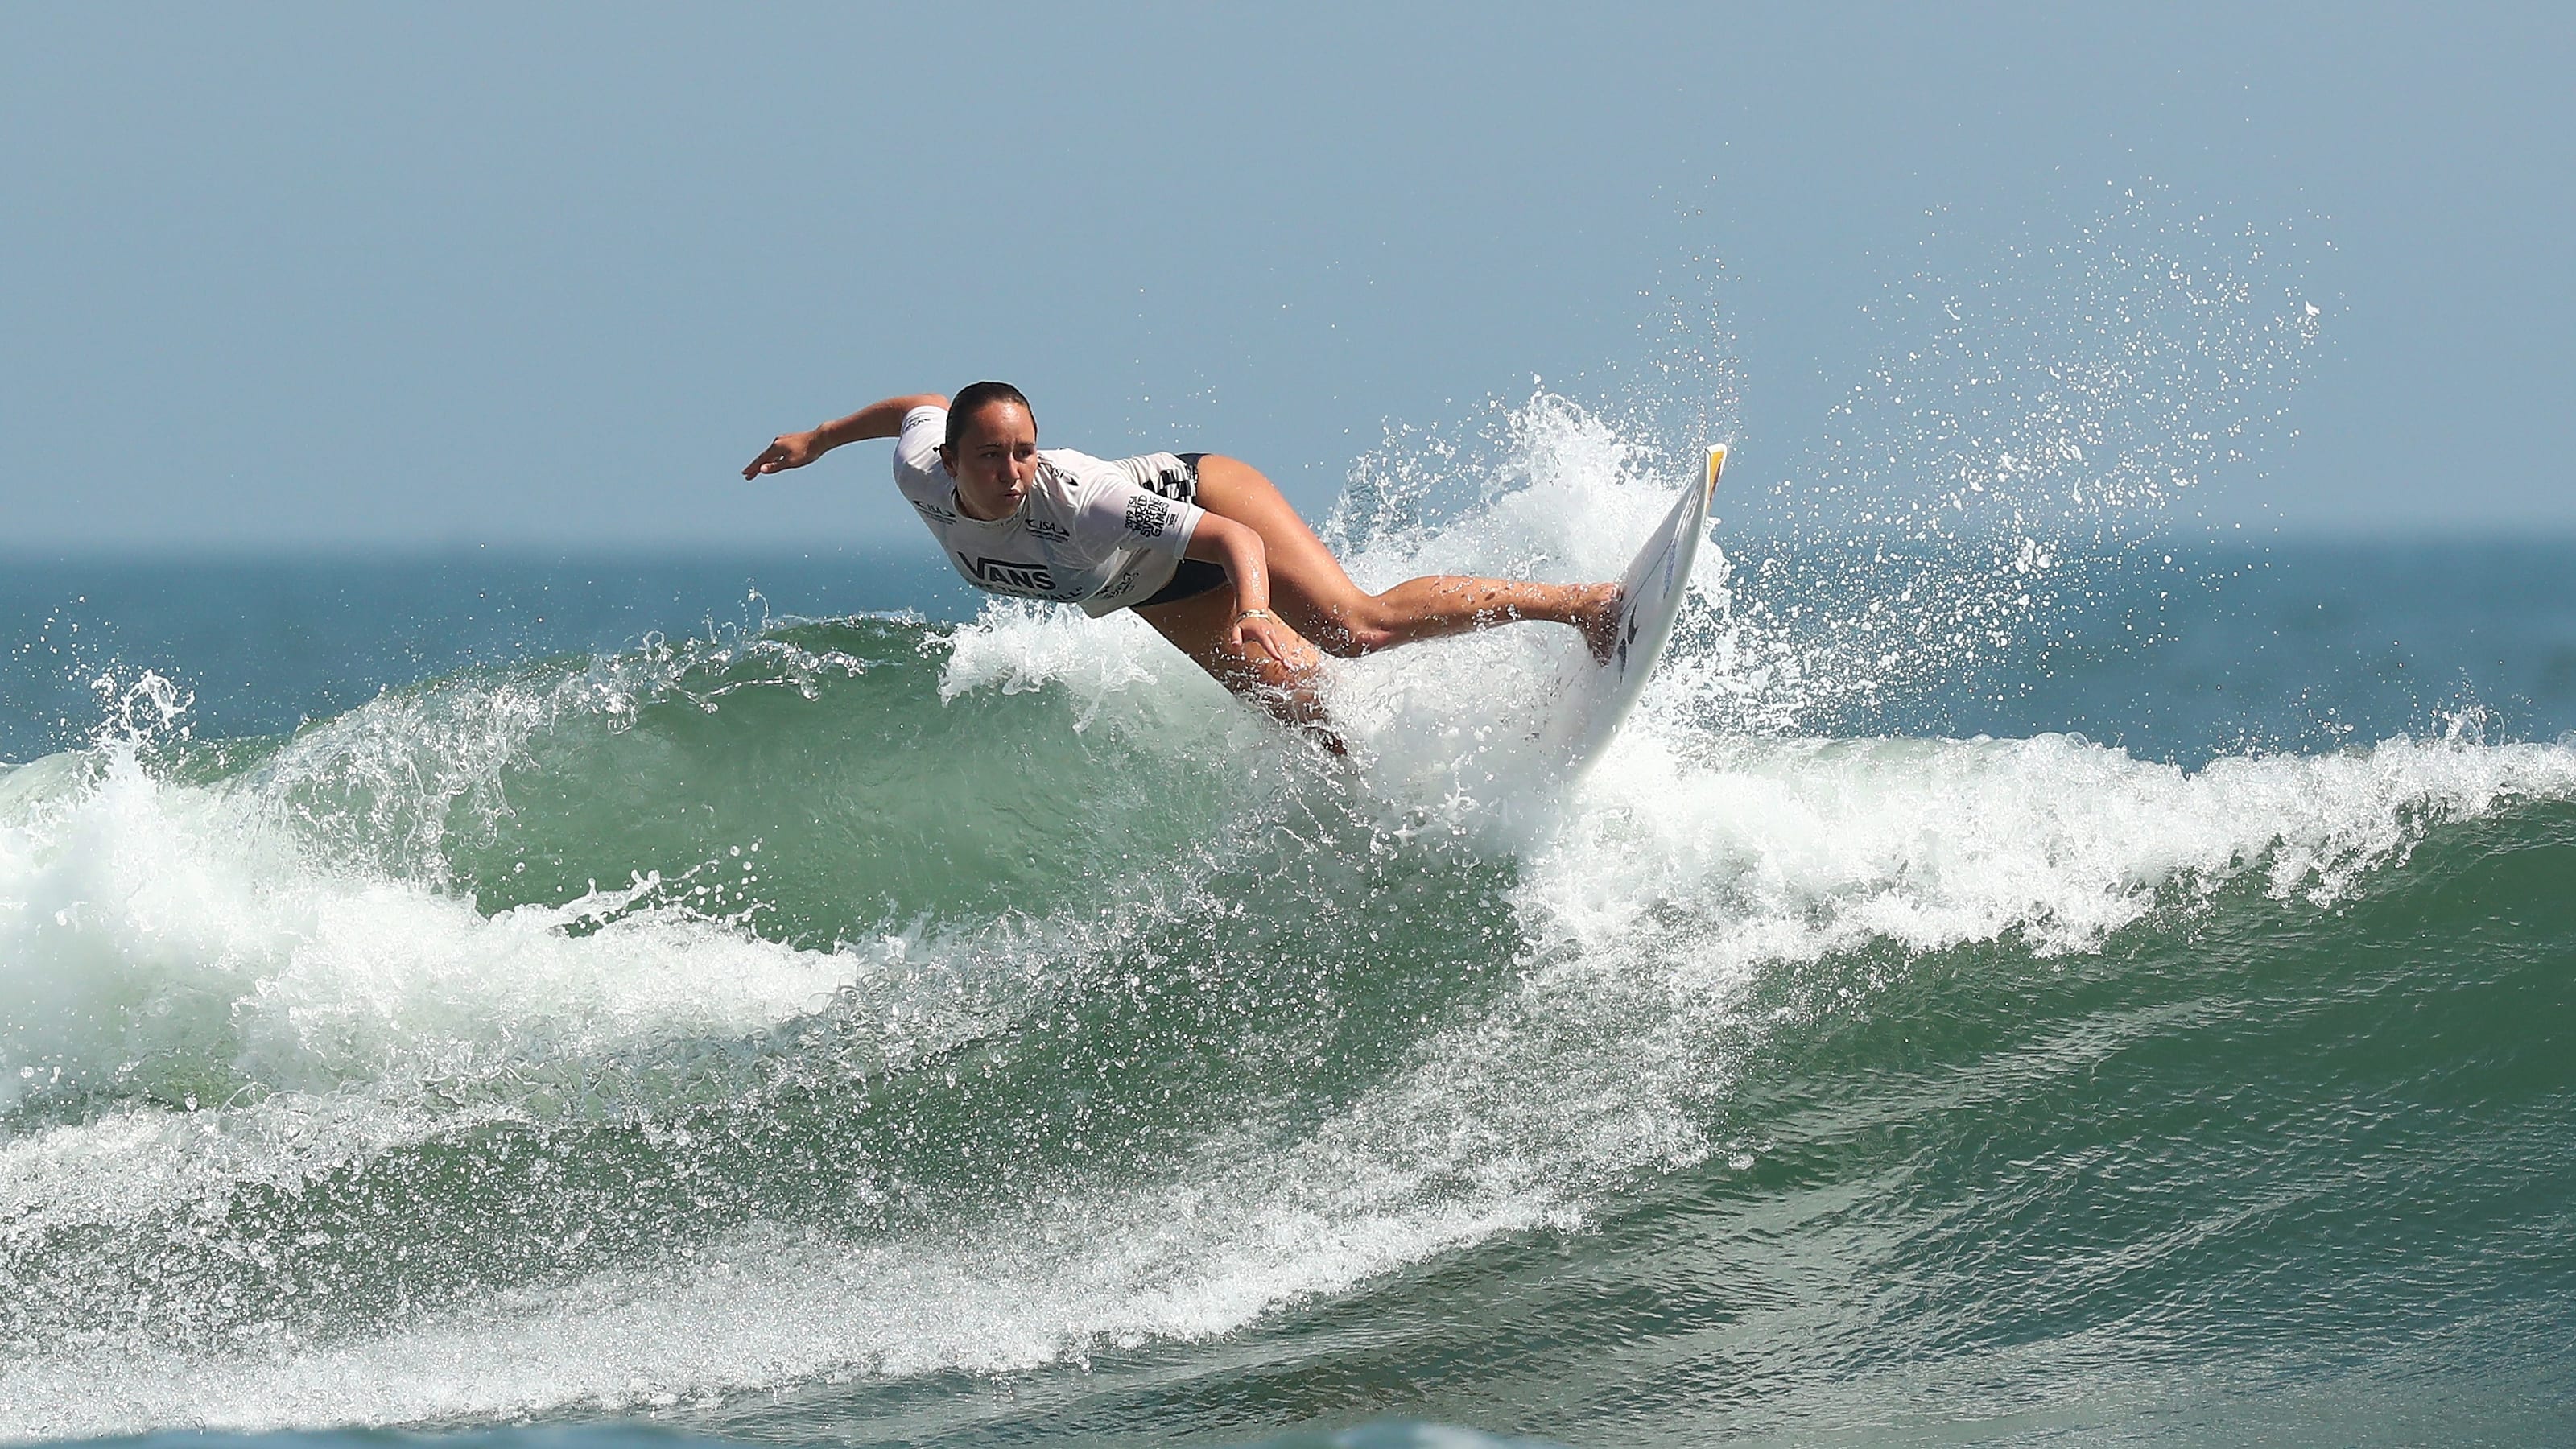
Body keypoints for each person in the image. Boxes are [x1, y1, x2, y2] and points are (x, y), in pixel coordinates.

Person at [744, 382, 1620, 731]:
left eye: (1022, 452)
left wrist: (1252, 610)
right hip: (1147, 585)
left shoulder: (1080, 496)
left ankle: (1581, 605)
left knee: (1355, 629)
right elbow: (922, 404)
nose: (1011, 472)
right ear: (950, 463)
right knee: (1305, 720)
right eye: (989, 457)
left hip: (1204, 505)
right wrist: (819, 438)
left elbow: (1232, 541)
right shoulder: (918, 472)